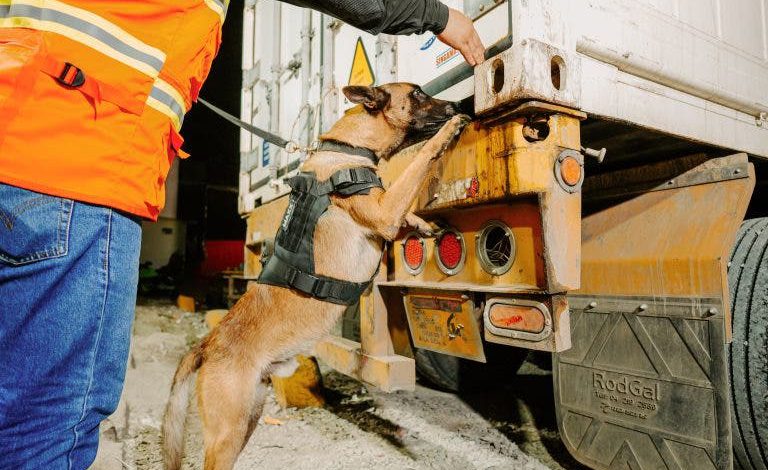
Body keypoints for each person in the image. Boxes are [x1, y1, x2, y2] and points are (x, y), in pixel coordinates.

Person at [0, 1, 484, 468]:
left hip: (24, 148)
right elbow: (382, 217)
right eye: (413, 100)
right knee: (51, 416)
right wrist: (436, 27)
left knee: (17, 400)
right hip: (77, 168)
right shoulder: (348, 176)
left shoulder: (346, 174)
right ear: (374, 109)